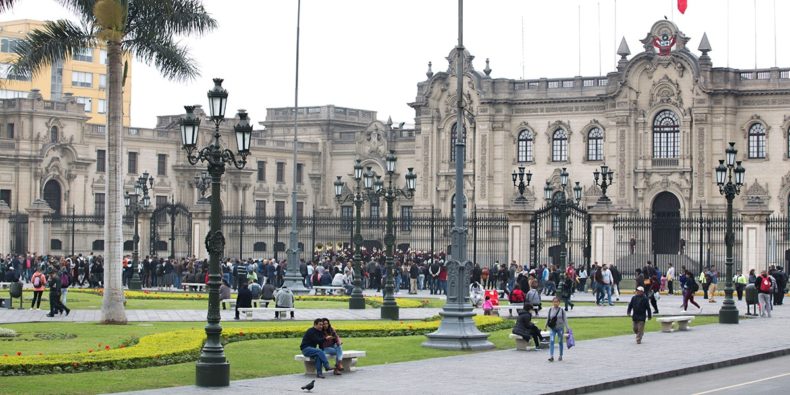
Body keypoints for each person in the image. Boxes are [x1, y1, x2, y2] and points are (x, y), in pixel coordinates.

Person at [545, 297, 568, 362]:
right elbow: (548, 318)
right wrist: (545, 326)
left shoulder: (562, 310)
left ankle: (560, 355)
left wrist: (567, 328)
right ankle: (551, 356)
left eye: (557, 302)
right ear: (552, 302)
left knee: (560, 341)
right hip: (552, 328)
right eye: (554, 302)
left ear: (559, 302)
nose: (555, 303)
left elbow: (565, 320)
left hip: (560, 328)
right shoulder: (550, 309)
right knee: (552, 341)